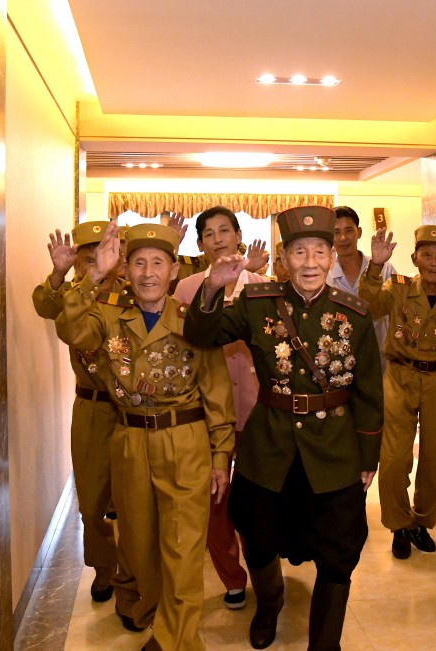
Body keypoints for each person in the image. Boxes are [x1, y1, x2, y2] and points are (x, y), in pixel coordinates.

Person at [184, 206, 384, 651]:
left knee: (338, 551)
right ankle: (269, 603)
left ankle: (324, 644)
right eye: (299, 252)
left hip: (333, 450)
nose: (309, 262)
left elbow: (370, 392)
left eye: (318, 251)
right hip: (269, 445)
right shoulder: (258, 305)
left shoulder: (355, 314)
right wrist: (213, 287)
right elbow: (202, 333)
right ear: (283, 257)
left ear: (332, 256)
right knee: (258, 538)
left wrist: (368, 458)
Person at [56, 222, 236, 651]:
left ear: (174, 270)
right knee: (139, 544)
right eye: (138, 263)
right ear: (126, 268)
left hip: (185, 440)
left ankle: (178, 639)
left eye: (158, 263)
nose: (148, 272)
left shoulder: (194, 321)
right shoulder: (109, 316)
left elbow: (216, 391)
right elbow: (70, 329)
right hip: (130, 441)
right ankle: (160, 619)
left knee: (182, 546)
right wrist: (93, 276)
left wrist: (221, 456)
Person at [173, 206, 269, 611]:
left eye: (224, 230)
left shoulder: (265, 286)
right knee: (215, 500)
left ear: (237, 235)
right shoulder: (185, 289)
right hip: (206, 416)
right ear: (200, 244)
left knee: (256, 501)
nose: (217, 238)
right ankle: (231, 576)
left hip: (256, 411)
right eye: (208, 233)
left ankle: (265, 570)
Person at [358, 224, 436, 559]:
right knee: (393, 458)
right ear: (415, 258)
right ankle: (398, 524)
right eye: (427, 255)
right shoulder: (399, 287)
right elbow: (370, 304)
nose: (434, 262)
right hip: (401, 376)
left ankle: (422, 521)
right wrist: (375, 266)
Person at [32, 220, 122, 605]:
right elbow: (45, 306)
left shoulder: (133, 293)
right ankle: (105, 569)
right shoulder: (72, 294)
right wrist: (58, 271)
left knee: (135, 500)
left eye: (102, 257)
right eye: (87, 259)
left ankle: (134, 575)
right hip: (91, 408)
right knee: (92, 500)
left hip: (131, 410)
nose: (95, 266)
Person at [328, 205, 395, 372]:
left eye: (349, 230)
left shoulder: (384, 269)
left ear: (359, 232)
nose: (343, 238)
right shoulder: (325, 275)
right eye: (336, 232)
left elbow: (396, 314)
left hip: (379, 359)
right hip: (337, 362)